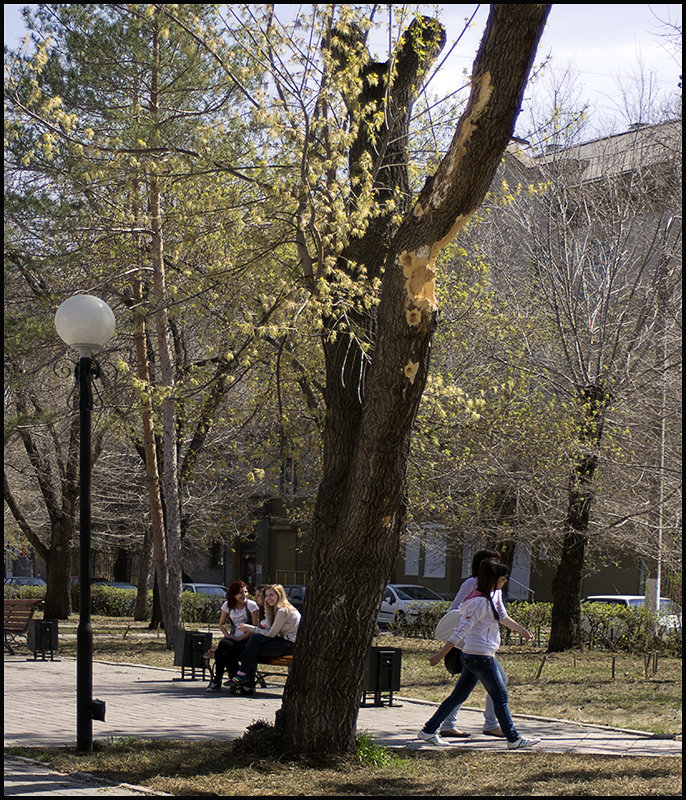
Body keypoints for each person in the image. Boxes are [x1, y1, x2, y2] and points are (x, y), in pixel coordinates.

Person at [418, 559, 540, 749]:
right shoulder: (478, 602)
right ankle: (514, 739)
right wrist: (440, 655)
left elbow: (502, 617)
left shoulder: (492, 596)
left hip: (477, 655)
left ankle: (428, 730)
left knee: (457, 697)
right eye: (503, 578)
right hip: (480, 657)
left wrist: (522, 630)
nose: (505, 581)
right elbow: (460, 630)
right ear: (494, 579)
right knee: (500, 697)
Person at [440, 548, 507, 738]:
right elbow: (456, 611)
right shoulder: (472, 584)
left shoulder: (494, 590)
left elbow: (502, 616)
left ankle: (445, 724)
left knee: (463, 689)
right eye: (491, 564)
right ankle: (492, 725)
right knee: (498, 682)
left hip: (484, 647)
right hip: (473, 646)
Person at [228, 583, 300, 695]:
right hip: (280, 640)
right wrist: (267, 610)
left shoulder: (283, 611)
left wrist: (250, 628)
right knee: (251, 649)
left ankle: (245, 679)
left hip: (289, 644)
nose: (268, 598)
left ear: (280, 595)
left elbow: (270, 634)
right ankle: (245, 681)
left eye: (272, 595)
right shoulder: (276, 609)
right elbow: (268, 627)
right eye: (266, 595)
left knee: (252, 646)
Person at [206, 581, 259, 692]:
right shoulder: (227, 605)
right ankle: (218, 679)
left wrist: (240, 638)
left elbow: (255, 628)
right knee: (223, 645)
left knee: (228, 653)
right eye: (240, 593)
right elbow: (221, 624)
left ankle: (233, 678)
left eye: (246, 592)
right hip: (234, 637)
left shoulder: (251, 606)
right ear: (233, 594)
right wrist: (228, 635)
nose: (244, 595)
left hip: (248, 639)